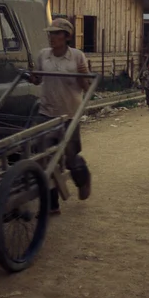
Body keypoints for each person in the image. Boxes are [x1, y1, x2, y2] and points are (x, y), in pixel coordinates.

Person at [29, 18, 92, 215]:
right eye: (50, 33)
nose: (52, 37)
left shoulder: (77, 57)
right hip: (46, 113)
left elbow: (87, 87)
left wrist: (83, 76)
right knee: (45, 159)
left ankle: (83, 179)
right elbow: (37, 80)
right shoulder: (43, 56)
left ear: (66, 36)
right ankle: (52, 204)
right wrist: (32, 75)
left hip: (69, 115)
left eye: (56, 34)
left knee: (70, 158)